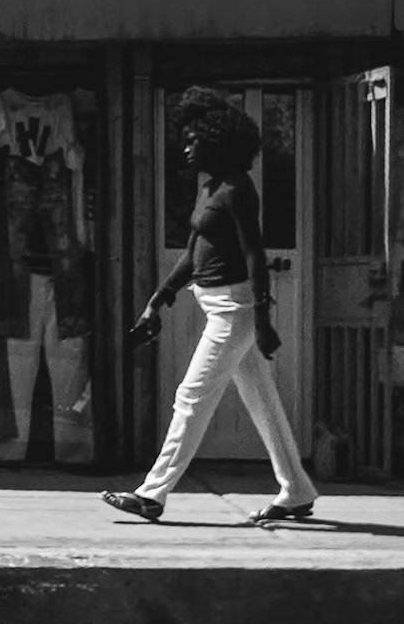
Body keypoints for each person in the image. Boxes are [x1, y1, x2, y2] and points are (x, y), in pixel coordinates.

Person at [103, 87, 317, 527]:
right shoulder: (209, 188)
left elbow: (255, 255)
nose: (186, 147)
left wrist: (263, 319)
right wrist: (158, 300)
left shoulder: (238, 189)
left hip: (235, 310)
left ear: (217, 142)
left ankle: (152, 494)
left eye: (193, 140)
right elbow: (191, 255)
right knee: (263, 402)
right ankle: (296, 489)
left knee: (191, 397)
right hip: (217, 305)